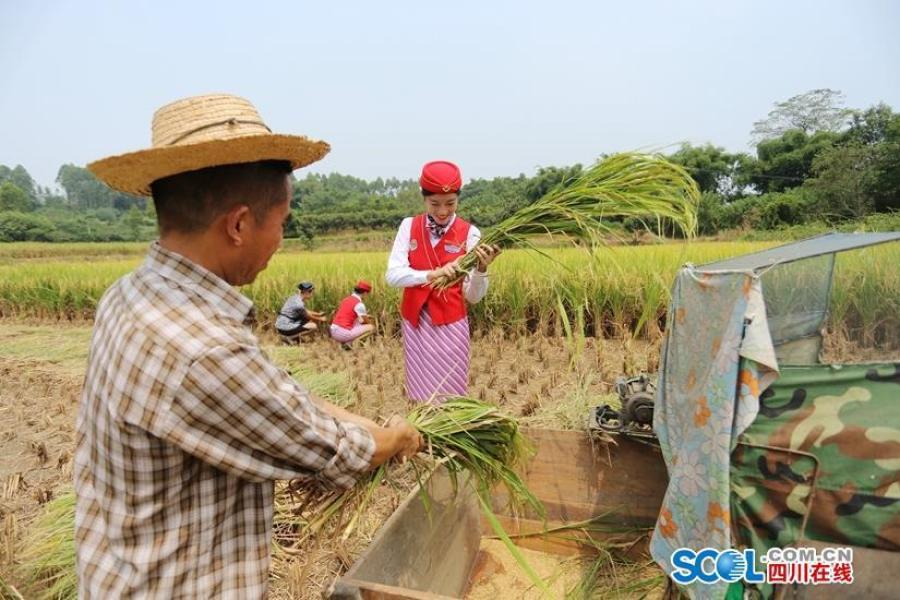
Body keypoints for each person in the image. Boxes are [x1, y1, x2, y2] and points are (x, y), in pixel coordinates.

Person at [75, 93, 422, 598]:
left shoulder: (130, 294)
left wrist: (359, 421)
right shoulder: (204, 349)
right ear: (238, 224)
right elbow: (327, 449)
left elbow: (274, 395)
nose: (281, 240)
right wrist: (396, 438)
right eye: (281, 223)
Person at [385, 160, 500, 403]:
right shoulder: (409, 226)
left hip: (450, 325)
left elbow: (473, 296)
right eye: (434, 203)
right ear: (423, 198)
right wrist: (431, 275)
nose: (442, 211)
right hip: (416, 323)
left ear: (459, 198)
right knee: (419, 393)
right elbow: (393, 275)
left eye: (450, 203)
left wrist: (481, 268)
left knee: (449, 394)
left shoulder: (470, 233)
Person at [330, 280, 375, 349]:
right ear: (365, 293)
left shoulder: (346, 299)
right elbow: (366, 322)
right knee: (371, 327)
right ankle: (350, 343)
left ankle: (346, 343)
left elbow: (348, 314)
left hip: (333, 330)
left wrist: (365, 316)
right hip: (342, 333)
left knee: (358, 321)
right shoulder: (359, 304)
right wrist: (369, 320)